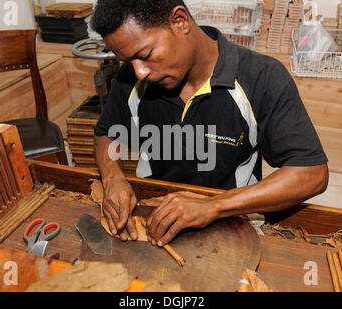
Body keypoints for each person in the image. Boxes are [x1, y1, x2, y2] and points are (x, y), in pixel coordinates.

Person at [91, 0, 329, 247]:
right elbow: (107, 133)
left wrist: (214, 205)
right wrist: (112, 178)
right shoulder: (131, 80)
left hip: (234, 220)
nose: (140, 72)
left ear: (180, 21)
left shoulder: (261, 77)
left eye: (146, 55)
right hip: (155, 217)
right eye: (129, 61)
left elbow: (312, 173)